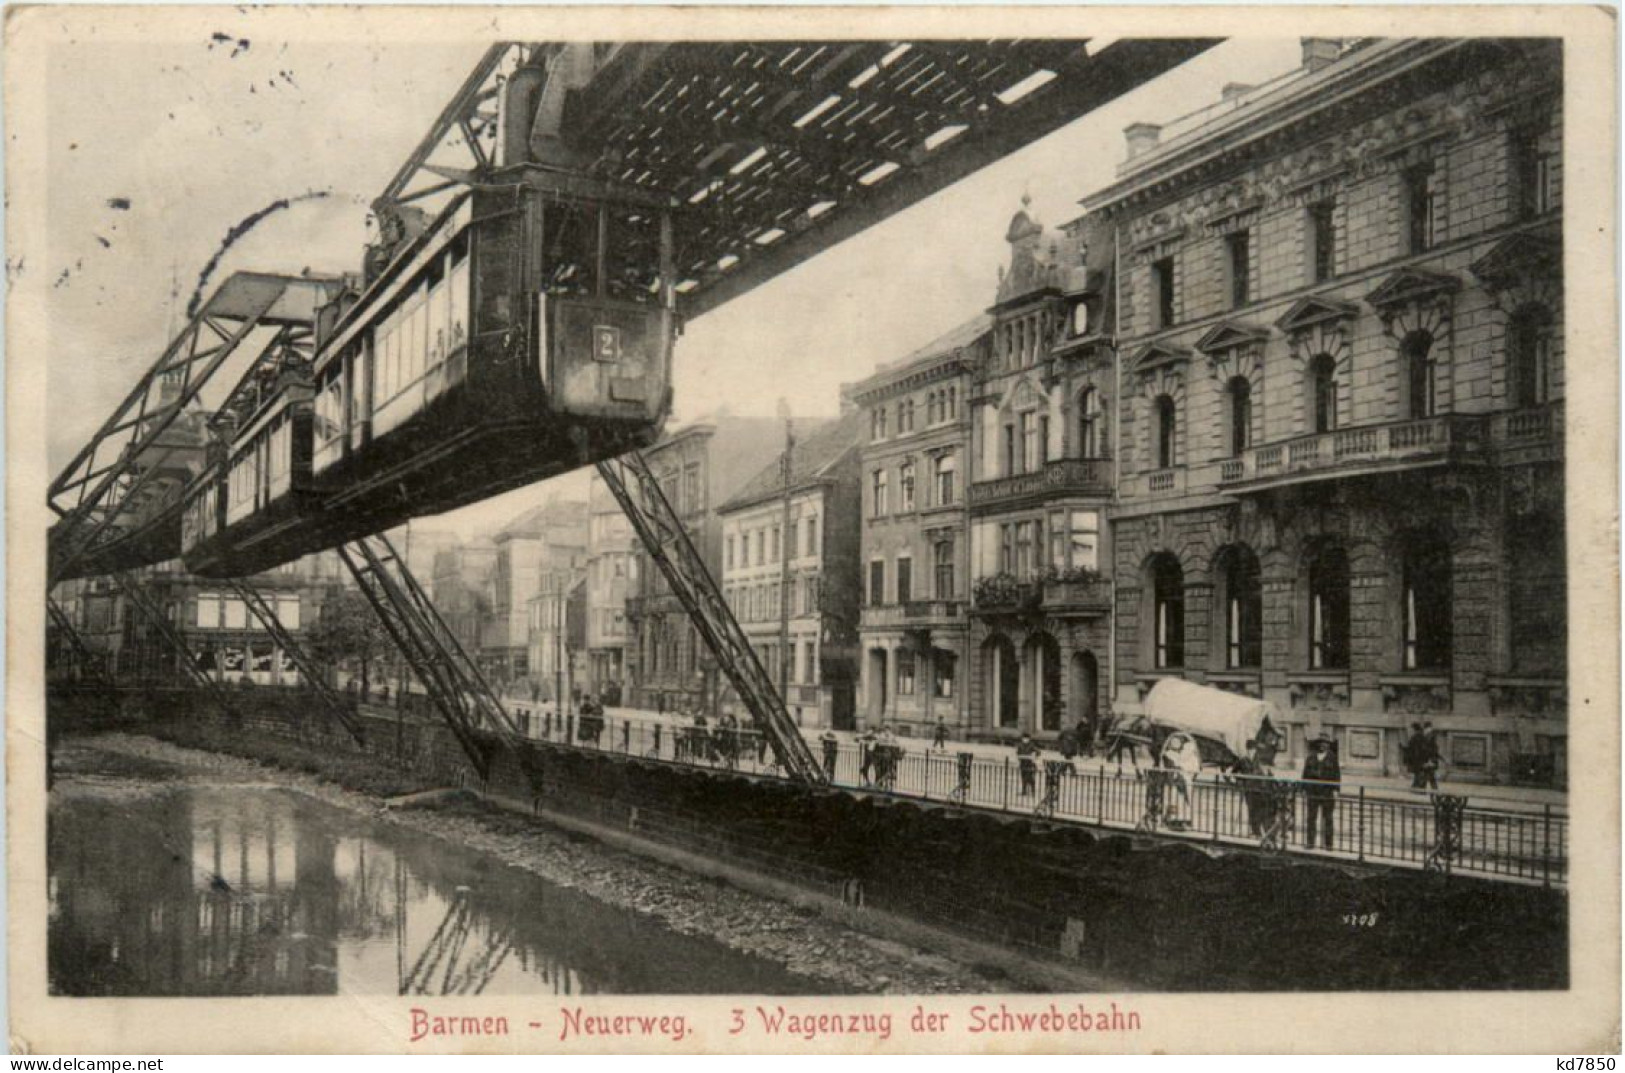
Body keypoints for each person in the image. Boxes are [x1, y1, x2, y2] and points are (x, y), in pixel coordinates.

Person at [1301, 733, 1341, 849]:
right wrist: (1303, 788)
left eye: (1325, 743)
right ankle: (1310, 843)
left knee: (1328, 818)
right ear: (1318, 744)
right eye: (1321, 743)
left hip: (1327, 792)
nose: (1323, 745)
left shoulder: (1332, 758)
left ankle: (1328, 844)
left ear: (1328, 745)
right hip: (1313, 792)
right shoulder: (1311, 757)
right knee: (1311, 818)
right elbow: (1305, 774)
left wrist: (1336, 789)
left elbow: (1337, 775)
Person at [1160, 732, 1201, 829]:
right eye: (1173, 742)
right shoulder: (1168, 754)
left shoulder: (1184, 756)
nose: (1175, 744)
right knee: (1173, 801)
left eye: (1177, 742)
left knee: (1184, 802)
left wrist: (1183, 770)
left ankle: (1185, 820)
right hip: (1173, 782)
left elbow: (1194, 768)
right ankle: (1172, 820)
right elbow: (1166, 768)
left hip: (1185, 781)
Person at [1016, 732, 1040, 796]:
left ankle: (1033, 791)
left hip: (1029, 764)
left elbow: (1038, 752)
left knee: (1030, 778)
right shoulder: (1020, 745)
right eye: (1024, 738)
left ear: (1029, 739)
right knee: (1023, 777)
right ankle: (1024, 791)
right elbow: (1018, 752)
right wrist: (1019, 757)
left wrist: (1034, 756)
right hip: (1023, 763)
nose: (1025, 740)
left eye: (1026, 738)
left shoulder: (1031, 745)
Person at [1403, 722, 1426, 790]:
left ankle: (1418, 787)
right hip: (1419, 757)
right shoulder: (1421, 736)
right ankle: (1416, 786)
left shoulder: (1416, 736)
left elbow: (1412, 747)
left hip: (1417, 757)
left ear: (1414, 729)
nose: (1411, 730)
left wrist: (1404, 748)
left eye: (1412, 729)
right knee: (1418, 772)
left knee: (1418, 772)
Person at [1419, 721, 1441, 791]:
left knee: (1429, 775)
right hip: (1428, 759)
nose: (1425, 730)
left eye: (1426, 729)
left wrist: (1430, 760)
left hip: (1429, 759)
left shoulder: (1430, 737)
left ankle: (1432, 790)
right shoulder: (1427, 736)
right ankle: (1425, 790)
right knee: (1426, 775)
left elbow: (1432, 749)